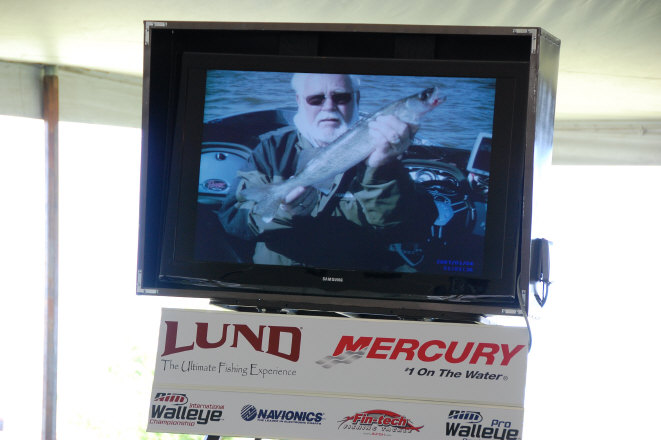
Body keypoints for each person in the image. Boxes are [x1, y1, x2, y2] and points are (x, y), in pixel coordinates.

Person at [217, 73, 437, 270]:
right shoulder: (271, 149)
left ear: (357, 99)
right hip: (282, 282)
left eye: (341, 97)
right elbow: (234, 220)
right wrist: (284, 212)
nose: (329, 106)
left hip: (359, 281)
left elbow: (412, 228)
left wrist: (383, 170)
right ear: (299, 101)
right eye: (316, 99)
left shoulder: (391, 148)